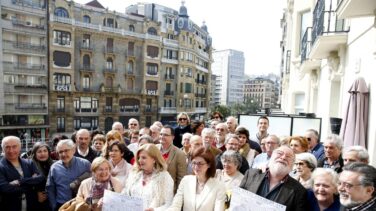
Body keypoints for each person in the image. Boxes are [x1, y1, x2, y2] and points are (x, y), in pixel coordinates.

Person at [240, 146, 308, 211]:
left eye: (288, 157)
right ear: (271, 157)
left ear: (293, 164)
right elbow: (238, 200)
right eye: (279, 153)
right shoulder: (250, 174)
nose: (283, 157)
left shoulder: (299, 191)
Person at [167, 147, 226, 211]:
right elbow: (176, 205)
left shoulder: (219, 186)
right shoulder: (186, 180)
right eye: (194, 163)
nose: (196, 167)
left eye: (200, 163)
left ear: (209, 165)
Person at [122, 144, 174, 210]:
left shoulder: (164, 177)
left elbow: (169, 204)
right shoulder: (134, 174)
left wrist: (154, 210)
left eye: (143, 157)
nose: (139, 160)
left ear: (154, 159)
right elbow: (124, 195)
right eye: (138, 158)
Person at [0, 136, 44, 211]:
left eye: (14, 146)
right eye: (7, 147)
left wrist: (20, 181)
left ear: (20, 147)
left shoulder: (29, 163)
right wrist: (31, 186)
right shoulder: (1, 166)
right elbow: (4, 188)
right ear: (3, 149)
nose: (11, 150)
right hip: (10, 207)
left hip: (31, 205)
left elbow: (40, 178)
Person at [46, 139, 91, 211]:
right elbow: (50, 188)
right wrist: (54, 205)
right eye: (60, 152)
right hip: (62, 206)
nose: (63, 154)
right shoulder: (54, 167)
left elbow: (93, 183)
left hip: (81, 206)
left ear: (73, 150)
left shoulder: (85, 164)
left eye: (66, 150)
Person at [158, 125, 187, 193]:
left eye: (165, 135)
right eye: (161, 134)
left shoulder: (179, 154)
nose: (162, 137)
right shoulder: (154, 149)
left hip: (169, 193)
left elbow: (181, 178)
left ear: (172, 137)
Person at [31, 142, 55, 211]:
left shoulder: (55, 165)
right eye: (39, 151)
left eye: (45, 151)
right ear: (34, 154)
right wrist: (36, 195)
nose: (43, 154)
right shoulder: (30, 166)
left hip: (53, 200)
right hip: (38, 204)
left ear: (48, 152)